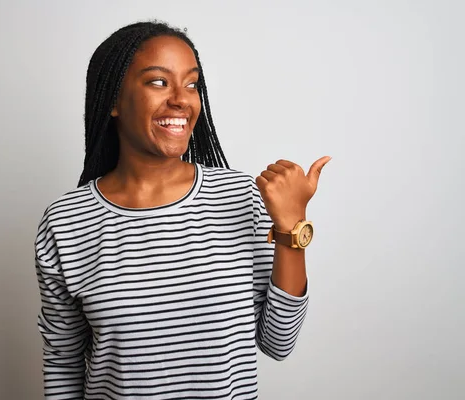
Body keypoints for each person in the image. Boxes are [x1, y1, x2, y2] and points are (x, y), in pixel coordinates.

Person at [34, 20, 331, 400]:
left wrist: (292, 230)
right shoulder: (66, 222)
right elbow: (63, 362)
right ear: (112, 100)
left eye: (191, 84)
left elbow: (278, 342)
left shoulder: (242, 197)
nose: (181, 100)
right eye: (159, 82)